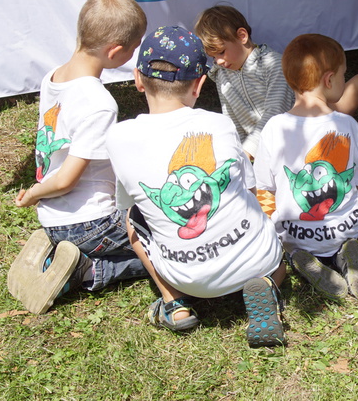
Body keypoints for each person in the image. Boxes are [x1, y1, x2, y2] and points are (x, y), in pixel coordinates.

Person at [106, 25, 286, 347]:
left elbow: (129, 202)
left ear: (137, 79)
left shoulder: (118, 138)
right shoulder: (219, 124)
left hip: (189, 280)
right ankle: (269, 284)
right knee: (276, 260)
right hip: (257, 260)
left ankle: (174, 303)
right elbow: (249, 187)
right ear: (200, 85)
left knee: (131, 217)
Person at [8, 0, 149, 314]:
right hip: (92, 223)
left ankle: (56, 253)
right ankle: (89, 270)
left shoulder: (53, 78)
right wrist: (33, 194)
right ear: (115, 52)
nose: (133, 55)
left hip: (52, 219)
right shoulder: (98, 103)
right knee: (171, 244)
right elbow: (67, 180)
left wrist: (39, 196)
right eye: (133, 49)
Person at [193, 4, 358, 178]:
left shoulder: (272, 64)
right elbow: (231, 120)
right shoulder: (222, 74)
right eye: (213, 57)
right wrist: (237, 153)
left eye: (221, 52)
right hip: (274, 149)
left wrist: (246, 153)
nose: (218, 61)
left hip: (308, 126)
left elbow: (274, 112)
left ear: (242, 36)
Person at [253, 33, 358, 301]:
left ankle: (300, 257)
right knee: (346, 239)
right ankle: (347, 250)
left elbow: (264, 185)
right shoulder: (347, 125)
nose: (344, 79)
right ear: (329, 80)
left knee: (293, 248)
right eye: (344, 75)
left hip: (295, 235)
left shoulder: (274, 128)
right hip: (345, 228)